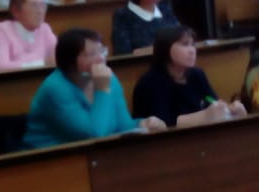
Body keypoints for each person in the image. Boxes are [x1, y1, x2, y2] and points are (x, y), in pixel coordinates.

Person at [21, 28, 166, 149]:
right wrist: (102, 89)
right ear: (69, 60)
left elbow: (123, 125)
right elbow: (92, 135)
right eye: (91, 54)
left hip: (92, 155)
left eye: (101, 51)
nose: (100, 58)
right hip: (47, 161)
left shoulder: (108, 78)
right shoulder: (55, 88)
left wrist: (142, 124)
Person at [133, 25, 247, 127]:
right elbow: (162, 124)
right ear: (165, 48)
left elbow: (213, 101)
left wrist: (230, 110)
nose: (192, 50)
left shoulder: (197, 74)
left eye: (193, 45)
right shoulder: (150, 82)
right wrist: (203, 117)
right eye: (185, 44)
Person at [0, 0, 57, 71]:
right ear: (16, 11)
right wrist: (42, 63)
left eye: (43, 6)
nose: (40, 11)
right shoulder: (0, 30)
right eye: (34, 5)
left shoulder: (45, 29)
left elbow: (60, 57)